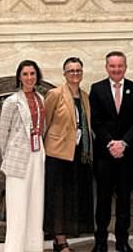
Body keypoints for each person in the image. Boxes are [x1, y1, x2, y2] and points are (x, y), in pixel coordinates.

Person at [90, 51, 133, 252]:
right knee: (103, 200)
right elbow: (95, 121)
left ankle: (123, 241)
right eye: (112, 66)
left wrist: (123, 143)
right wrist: (111, 143)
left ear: (125, 66)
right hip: (104, 155)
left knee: (124, 199)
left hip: (127, 155)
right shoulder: (97, 89)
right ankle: (101, 241)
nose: (116, 70)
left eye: (119, 66)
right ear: (107, 67)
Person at [43, 57, 94, 252]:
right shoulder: (55, 94)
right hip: (58, 154)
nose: (75, 74)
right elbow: (46, 123)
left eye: (78, 70)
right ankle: (60, 240)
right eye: (71, 71)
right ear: (64, 74)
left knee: (72, 196)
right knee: (58, 197)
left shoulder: (85, 96)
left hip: (79, 154)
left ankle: (64, 238)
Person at [0, 60, 46, 252]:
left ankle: (34, 247)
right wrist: (7, 157)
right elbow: (3, 133)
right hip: (17, 158)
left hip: (37, 154)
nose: (29, 78)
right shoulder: (12, 101)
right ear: (19, 77)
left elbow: (42, 128)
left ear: (37, 76)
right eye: (25, 74)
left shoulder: (41, 99)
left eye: (32, 74)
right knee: (17, 206)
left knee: (36, 204)